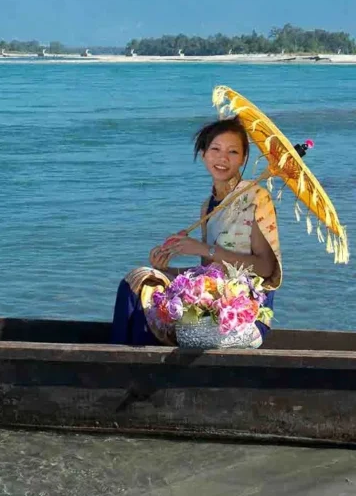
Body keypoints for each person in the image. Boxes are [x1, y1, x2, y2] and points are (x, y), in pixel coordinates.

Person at [111, 115, 281, 346]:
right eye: (215, 149)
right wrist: (166, 269)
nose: (223, 158)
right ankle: (126, 359)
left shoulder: (256, 198)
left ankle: (131, 361)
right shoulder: (207, 206)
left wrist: (203, 248)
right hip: (213, 296)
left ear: (243, 158)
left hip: (244, 310)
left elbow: (266, 268)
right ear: (203, 155)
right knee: (140, 281)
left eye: (233, 152)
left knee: (145, 295)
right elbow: (210, 273)